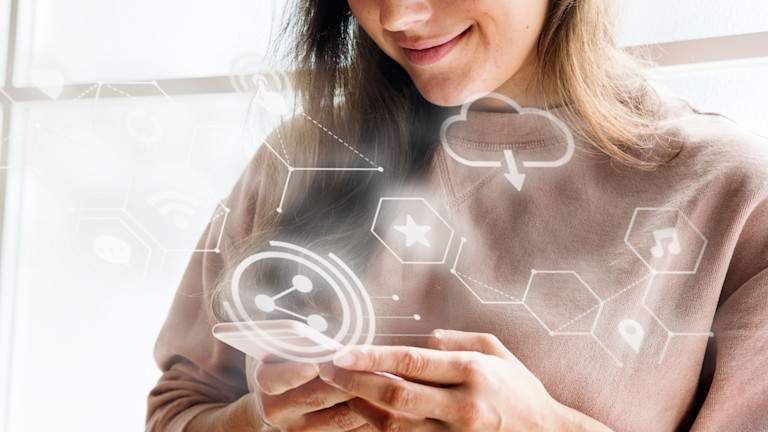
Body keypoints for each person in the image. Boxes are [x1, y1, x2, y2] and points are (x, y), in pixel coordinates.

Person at [146, 0, 768, 430]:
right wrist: (260, 418)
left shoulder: (732, 191)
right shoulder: (302, 157)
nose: (398, 16)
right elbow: (179, 410)